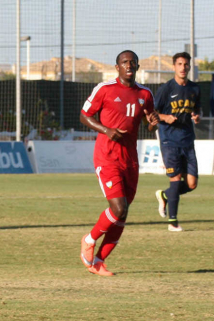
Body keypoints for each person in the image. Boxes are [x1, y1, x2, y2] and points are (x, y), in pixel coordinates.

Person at [79, 50, 159, 276]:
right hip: (107, 157)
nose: (129, 66)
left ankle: (98, 262)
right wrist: (106, 130)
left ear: (138, 66)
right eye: (124, 62)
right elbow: (84, 116)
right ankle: (89, 240)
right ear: (117, 67)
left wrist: (152, 124)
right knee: (119, 208)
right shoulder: (105, 89)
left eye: (133, 62)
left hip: (130, 160)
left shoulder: (145, 94)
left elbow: (149, 123)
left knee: (123, 214)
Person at [153, 51, 201, 232]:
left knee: (191, 184)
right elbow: (152, 113)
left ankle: (165, 195)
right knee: (175, 178)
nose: (183, 67)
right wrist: (165, 117)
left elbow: (197, 110)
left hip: (187, 141)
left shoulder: (195, 89)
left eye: (186, 64)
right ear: (174, 66)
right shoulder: (166, 89)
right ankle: (172, 222)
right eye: (179, 64)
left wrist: (197, 116)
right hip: (169, 140)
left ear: (189, 67)